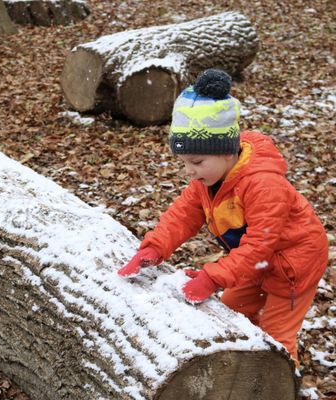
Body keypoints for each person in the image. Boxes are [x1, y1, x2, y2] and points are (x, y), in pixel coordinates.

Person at [117, 69, 328, 365]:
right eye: (183, 163)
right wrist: (155, 247)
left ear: (227, 153)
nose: (188, 171)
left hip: (292, 265)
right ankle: (240, 374)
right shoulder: (207, 180)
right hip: (253, 261)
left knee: (277, 337)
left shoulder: (263, 186)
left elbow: (260, 245)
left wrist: (213, 276)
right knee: (231, 313)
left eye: (196, 162)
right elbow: (182, 215)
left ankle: (280, 382)